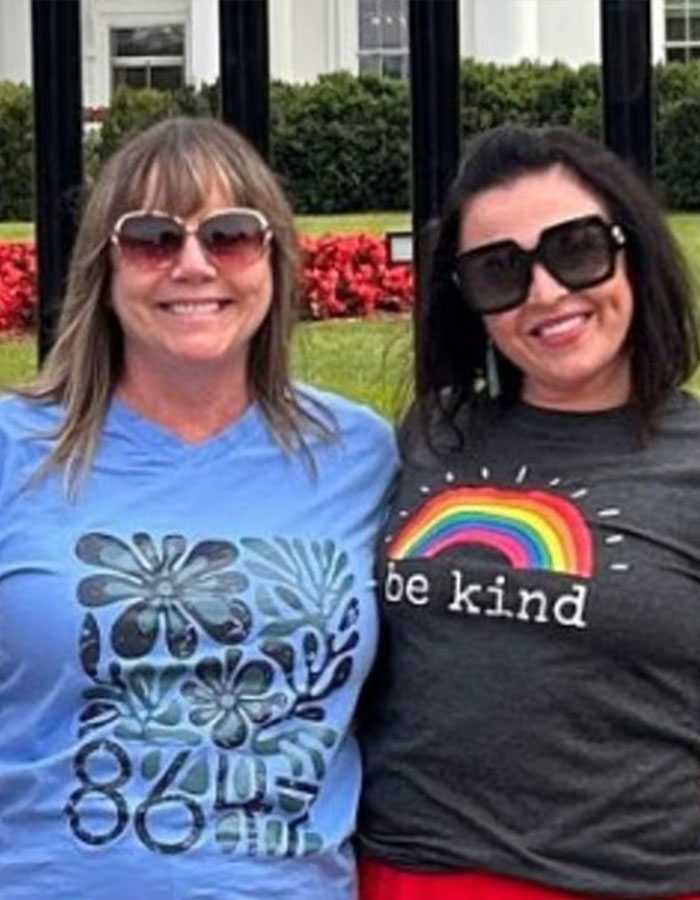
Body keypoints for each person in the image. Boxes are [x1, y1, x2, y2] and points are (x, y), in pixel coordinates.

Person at [0, 116, 397, 900]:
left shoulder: (359, 454)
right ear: (103, 270)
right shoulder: (15, 448)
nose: (192, 265)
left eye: (230, 236)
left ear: (274, 262)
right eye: (151, 238)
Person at [358, 124, 700, 900]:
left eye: (576, 249)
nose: (546, 293)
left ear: (632, 249)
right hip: (410, 874)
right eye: (498, 271)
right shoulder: (424, 440)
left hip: (631, 878)